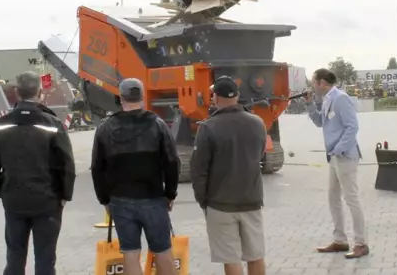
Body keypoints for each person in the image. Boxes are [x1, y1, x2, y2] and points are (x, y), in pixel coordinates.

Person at [0, 71, 76, 275]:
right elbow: (66, 165)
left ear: (16, 92)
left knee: (15, 256)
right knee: (45, 258)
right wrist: (64, 196)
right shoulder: (52, 124)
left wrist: (0, 189)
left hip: (14, 199)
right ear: (40, 93)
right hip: (47, 200)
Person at [91, 78, 180, 275]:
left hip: (121, 200)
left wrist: (105, 200)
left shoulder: (105, 128)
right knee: (163, 251)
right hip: (154, 198)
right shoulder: (158, 124)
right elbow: (172, 162)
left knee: (130, 254)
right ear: (142, 96)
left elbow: (97, 168)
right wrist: (170, 194)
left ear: (120, 98)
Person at [191, 76, 268, 275]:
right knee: (256, 255)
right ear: (238, 96)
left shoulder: (208, 127)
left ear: (215, 97)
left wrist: (203, 201)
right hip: (251, 200)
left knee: (231, 258)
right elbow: (259, 154)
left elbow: (199, 170)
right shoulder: (258, 123)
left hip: (220, 204)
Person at [305, 68, 369, 259]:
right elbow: (320, 122)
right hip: (334, 157)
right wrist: (309, 104)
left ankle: (361, 243)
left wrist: (339, 149)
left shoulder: (340, 98)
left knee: (352, 199)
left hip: (345, 156)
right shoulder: (326, 99)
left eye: (313, 82)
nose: (312, 86)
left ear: (322, 82)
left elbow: (352, 126)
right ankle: (340, 240)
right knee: (333, 198)